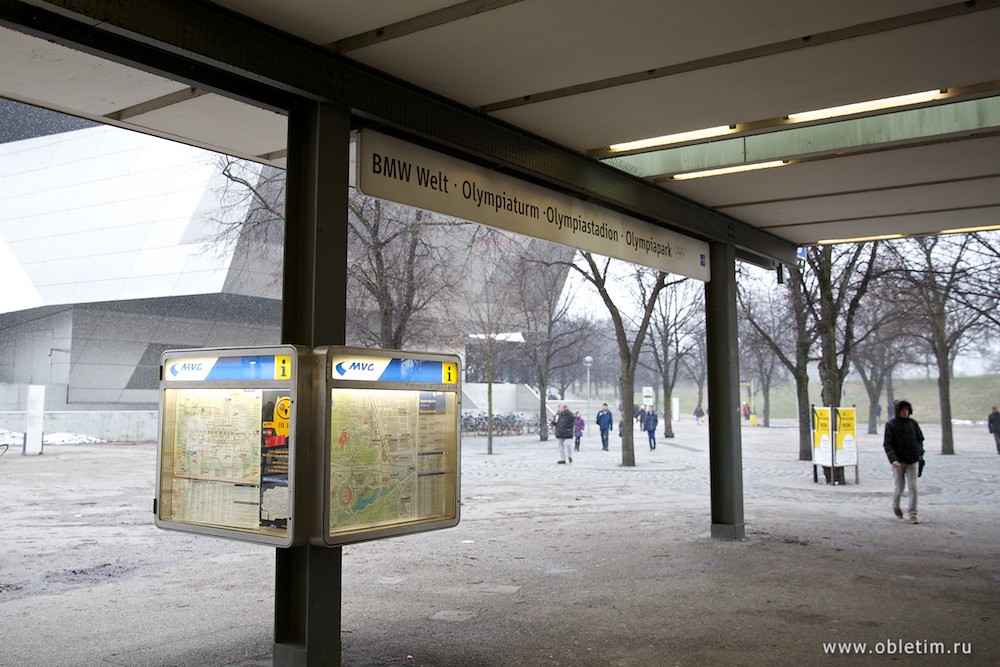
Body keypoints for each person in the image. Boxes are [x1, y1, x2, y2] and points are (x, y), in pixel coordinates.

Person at [883, 399, 924, 524]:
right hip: (898, 461)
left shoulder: (913, 424)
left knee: (913, 487)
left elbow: (920, 439)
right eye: (903, 410)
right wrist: (893, 459)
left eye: (907, 410)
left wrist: (920, 452)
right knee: (899, 487)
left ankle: (913, 513)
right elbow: (888, 444)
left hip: (912, 459)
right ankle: (896, 505)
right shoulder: (891, 425)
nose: (905, 413)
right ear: (898, 411)